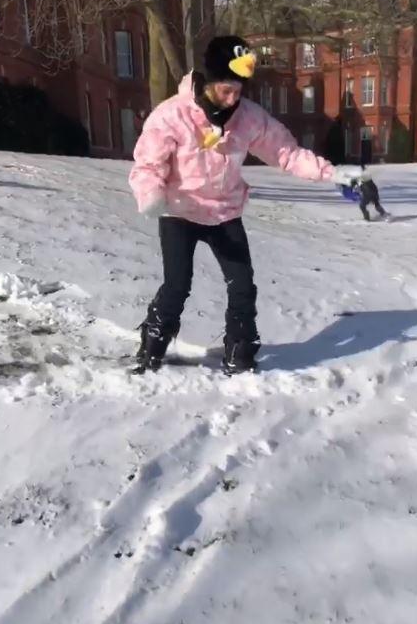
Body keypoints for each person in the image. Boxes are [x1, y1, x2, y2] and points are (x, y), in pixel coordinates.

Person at [129, 35, 362, 374]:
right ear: (208, 82)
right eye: (226, 90)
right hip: (179, 211)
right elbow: (148, 164)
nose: (232, 98)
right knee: (177, 286)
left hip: (224, 212)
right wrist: (150, 194)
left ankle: (240, 355)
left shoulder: (249, 118)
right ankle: (152, 347)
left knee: (243, 286)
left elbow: (287, 153)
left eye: (238, 91)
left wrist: (333, 174)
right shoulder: (172, 115)